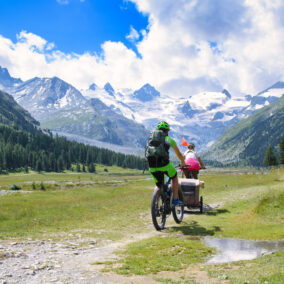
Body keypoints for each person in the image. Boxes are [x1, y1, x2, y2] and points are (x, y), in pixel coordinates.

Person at [146, 121, 186, 206]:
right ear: (167, 131)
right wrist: (183, 162)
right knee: (174, 177)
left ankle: (155, 205)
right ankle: (175, 200)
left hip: (152, 166)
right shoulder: (168, 140)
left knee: (158, 184)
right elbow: (179, 154)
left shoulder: (151, 140)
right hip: (164, 165)